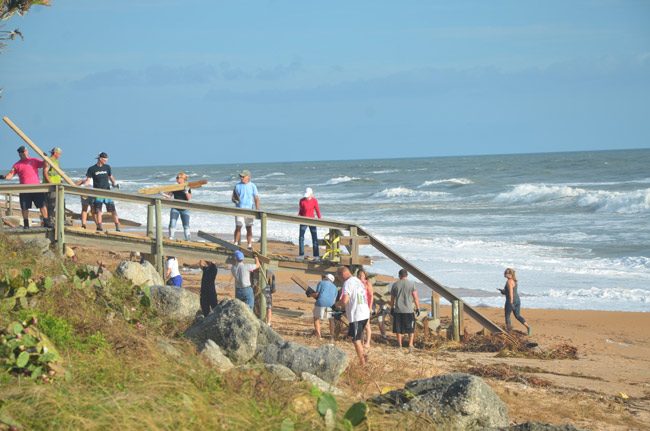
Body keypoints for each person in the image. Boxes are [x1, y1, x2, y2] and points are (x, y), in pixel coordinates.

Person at [0, 146, 52, 229]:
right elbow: (11, 175)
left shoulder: (34, 160)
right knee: (25, 207)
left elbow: (44, 164)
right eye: (22, 152)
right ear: (19, 154)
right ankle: (26, 224)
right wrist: (3, 177)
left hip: (36, 188)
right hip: (24, 189)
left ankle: (46, 222)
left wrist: (45, 158)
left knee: (42, 205)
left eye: (25, 151)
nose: (24, 153)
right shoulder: (17, 165)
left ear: (27, 151)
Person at [335, 266, 370, 365]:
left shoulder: (347, 283)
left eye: (339, 277)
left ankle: (363, 363)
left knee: (356, 339)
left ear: (342, 275)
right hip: (364, 312)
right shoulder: (358, 281)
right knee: (357, 336)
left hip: (357, 315)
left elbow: (345, 300)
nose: (340, 280)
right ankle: (363, 355)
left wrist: (336, 305)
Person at [79, 152, 120, 232]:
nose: (106, 161)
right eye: (104, 160)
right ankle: (100, 227)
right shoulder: (92, 169)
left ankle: (117, 227)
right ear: (100, 159)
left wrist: (114, 183)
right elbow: (88, 180)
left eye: (106, 160)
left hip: (107, 192)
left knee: (113, 210)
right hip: (97, 193)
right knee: (98, 211)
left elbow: (110, 177)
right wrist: (83, 186)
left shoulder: (107, 167)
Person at [390, 269, 421, 353]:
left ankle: (399, 345)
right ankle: (410, 345)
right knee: (410, 329)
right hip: (409, 310)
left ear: (399, 275)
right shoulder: (412, 284)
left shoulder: (395, 285)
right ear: (407, 275)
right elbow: (415, 297)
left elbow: (392, 299)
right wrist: (418, 308)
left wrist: (392, 308)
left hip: (398, 310)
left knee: (398, 329)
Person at [231, 169, 260, 250]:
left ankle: (249, 245)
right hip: (239, 209)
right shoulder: (237, 186)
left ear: (248, 177)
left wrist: (257, 210)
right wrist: (235, 200)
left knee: (249, 228)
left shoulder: (252, 185)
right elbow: (233, 198)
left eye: (243, 176)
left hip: (249, 210)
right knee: (238, 226)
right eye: (241, 176)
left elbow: (256, 198)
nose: (241, 178)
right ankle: (236, 243)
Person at [501, 268, 532, 335]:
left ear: (510, 274)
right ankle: (528, 327)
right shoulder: (514, 281)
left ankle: (508, 331)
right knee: (517, 315)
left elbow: (511, 293)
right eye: (505, 272)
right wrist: (504, 291)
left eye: (506, 273)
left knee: (507, 316)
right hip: (517, 300)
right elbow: (511, 291)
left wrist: (511, 302)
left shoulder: (509, 281)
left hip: (511, 300)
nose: (505, 274)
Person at [308, 273, 337, 339]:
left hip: (321, 302)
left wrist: (310, 294)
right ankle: (332, 336)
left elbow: (317, 294)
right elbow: (334, 299)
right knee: (331, 320)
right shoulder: (335, 288)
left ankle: (319, 336)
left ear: (326, 278)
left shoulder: (321, 283)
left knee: (316, 318)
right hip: (330, 305)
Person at [163, 171, 191, 241]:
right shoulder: (175, 187)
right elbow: (169, 196)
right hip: (175, 208)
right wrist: (163, 194)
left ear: (183, 179)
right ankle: (171, 238)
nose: (177, 179)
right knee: (172, 223)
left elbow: (189, 198)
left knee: (186, 226)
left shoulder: (187, 186)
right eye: (176, 177)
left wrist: (186, 192)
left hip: (185, 208)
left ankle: (188, 239)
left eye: (178, 177)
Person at [298, 187, 321, 259]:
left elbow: (317, 210)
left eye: (308, 196)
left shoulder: (314, 201)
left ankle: (316, 255)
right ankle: (301, 254)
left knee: (314, 237)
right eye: (306, 196)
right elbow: (301, 211)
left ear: (311, 194)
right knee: (301, 238)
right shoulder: (301, 201)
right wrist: (298, 217)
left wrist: (320, 219)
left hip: (312, 220)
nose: (307, 197)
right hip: (303, 220)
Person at [42, 147, 63, 221]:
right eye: (59, 154)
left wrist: (60, 180)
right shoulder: (48, 161)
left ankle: (51, 218)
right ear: (55, 153)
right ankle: (48, 219)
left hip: (57, 185)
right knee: (50, 204)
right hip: (50, 186)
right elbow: (45, 173)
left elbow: (57, 173)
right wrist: (51, 183)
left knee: (55, 203)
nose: (60, 155)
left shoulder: (56, 162)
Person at [357, 269, 374, 349]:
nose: (361, 276)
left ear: (365, 275)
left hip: (366, 306)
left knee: (367, 325)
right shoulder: (356, 283)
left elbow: (371, 296)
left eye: (362, 275)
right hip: (358, 306)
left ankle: (367, 342)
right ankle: (361, 340)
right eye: (359, 275)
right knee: (360, 325)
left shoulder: (367, 283)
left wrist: (370, 307)